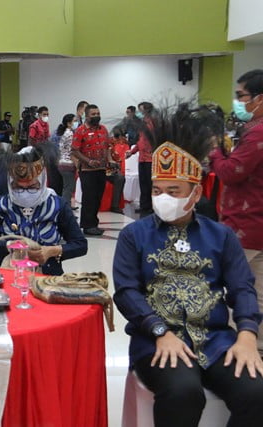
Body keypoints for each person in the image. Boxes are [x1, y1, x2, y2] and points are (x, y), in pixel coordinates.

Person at [113, 104, 263, 427]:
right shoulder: (134, 235)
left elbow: (242, 288)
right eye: (157, 190)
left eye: (173, 191)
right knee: (184, 392)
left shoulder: (221, 236)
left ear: (195, 194)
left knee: (256, 392)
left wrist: (247, 335)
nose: (163, 197)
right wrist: (159, 331)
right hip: (156, 340)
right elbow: (126, 292)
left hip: (215, 340)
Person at [209, 69, 263, 353]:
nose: (238, 101)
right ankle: (256, 346)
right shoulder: (253, 129)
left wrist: (215, 150)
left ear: (260, 98)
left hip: (248, 221)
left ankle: (233, 345)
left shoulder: (258, 133)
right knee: (257, 288)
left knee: (233, 285)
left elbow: (232, 172)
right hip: (255, 221)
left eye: (242, 96)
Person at [0, 147, 87, 275]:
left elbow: (80, 244)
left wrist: (53, 251)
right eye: (18, 187)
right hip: (8, 274)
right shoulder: (0, 206)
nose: (25, 192)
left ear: (42, 182)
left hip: (47, 276)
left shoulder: (57, 205)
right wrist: (10, 246)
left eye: (32, 187)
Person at [71, 104, 116, 235]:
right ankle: (87, 225)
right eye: (93, 114)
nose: (96, 116)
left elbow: (107, 147)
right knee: (89, 198)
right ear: (87, 116)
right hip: (87, 170)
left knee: (97, 197)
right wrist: (88, 161)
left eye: (98, 114)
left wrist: (110, 160)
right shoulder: (80, 130)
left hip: (101, 169)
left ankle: (93, 223)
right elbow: (75, 150)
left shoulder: (103, 129)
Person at [128, 101, 155, 216]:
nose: (139, 112)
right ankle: (144, 206)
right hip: (142, 158)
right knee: (143, 183)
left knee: (150, 184)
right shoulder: (142, 124)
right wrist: (132, 152)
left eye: (141, 110)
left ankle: (151, 206)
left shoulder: (153, 123)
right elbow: (140, 141)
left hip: (150, 158)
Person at [56, 114, 78, 209]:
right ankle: (65, 208)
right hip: (68, 164)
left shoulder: (64, 132)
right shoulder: (70, 134)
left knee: (67, 187)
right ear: (69, 123)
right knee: (68, 188)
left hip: (62, 163)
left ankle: (67, 205)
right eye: (75, 121)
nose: (76, 123)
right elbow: (72, 150)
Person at [106, 128, 129, 214]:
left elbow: (115, 158)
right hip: (100, 169)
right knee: (119, 177)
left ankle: (115, 205)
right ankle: (114, 206)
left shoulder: (112, 145)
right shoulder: (108, 144)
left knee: (121, 178)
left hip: (109, 169)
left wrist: (115, 163)